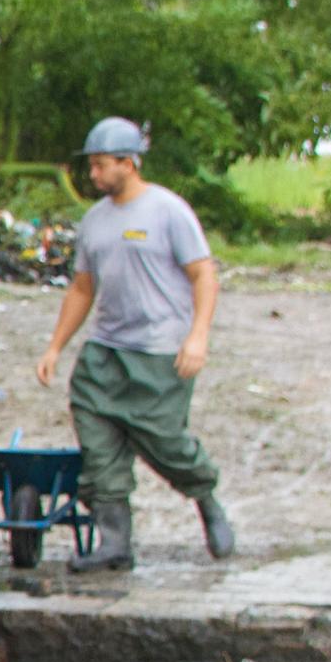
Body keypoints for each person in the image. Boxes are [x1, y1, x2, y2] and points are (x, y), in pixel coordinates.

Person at [32, 115, 231, 570]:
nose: (94, 176)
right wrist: (55, 347)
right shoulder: (94, 222)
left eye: (102, 166)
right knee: (98, 442)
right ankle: (114, 542)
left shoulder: (169, 212)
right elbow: (83, 288)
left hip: (159, 349)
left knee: (164, 441)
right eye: (92, 167)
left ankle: (206, 499)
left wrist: (197, 335)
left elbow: (203, 274)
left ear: (129, 162)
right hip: (106, 349)